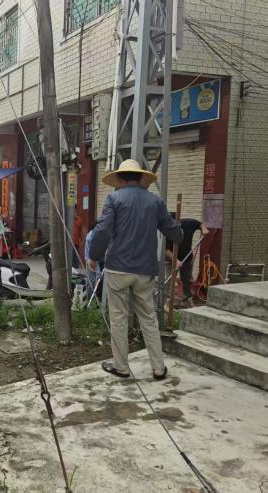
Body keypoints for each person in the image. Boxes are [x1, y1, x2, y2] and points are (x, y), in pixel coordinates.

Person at [90, 159, 182, 381]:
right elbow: (173, 231)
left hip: (118, 267)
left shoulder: (113, 198)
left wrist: (94, 255)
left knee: (119, 318)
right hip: (145, 269)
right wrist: (179, 235)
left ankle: (121, 367)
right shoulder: (155, 201)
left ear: (119, 179)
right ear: (141, 178)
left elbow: (103, 230)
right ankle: (158, 368)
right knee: (148, 318)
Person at [166, 216, 210, 306]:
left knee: (186, 279)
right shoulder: (167, 231)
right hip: (171, 258)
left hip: (186, 256)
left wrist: (204, 229)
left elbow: (199, 224)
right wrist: (176, 261)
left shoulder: (188, 223)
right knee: (171, 279)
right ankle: (170, 302)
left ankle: (187, 300)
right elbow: (166, 250)